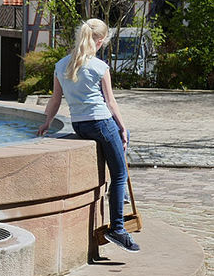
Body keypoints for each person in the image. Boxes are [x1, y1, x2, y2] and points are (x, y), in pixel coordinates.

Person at [37, 18, 139, 253]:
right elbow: (111, 103)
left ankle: (119, 196)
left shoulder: (62, 65)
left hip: (80, 125)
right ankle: (118, 228)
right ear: (101, 41)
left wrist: (46, 123)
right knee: (120, 174)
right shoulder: (99, 67)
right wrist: (122, 127)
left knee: (120, 154)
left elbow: (55, 99)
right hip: (101, 123)